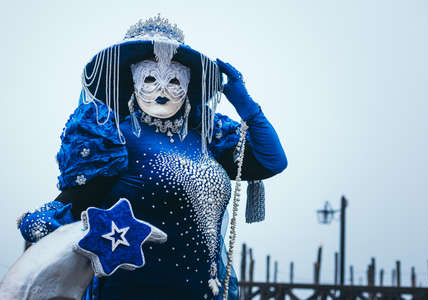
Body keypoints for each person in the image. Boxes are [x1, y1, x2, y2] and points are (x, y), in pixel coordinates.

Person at [17, 15, 287, 300]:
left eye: (174, 80)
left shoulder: (208, 136)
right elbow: (72, 206)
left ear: (188, 85)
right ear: (132, 81)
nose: (162, 90)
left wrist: (244, 102)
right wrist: (40, 229)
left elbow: (272, 161)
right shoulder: (112, 136)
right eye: (149, 78)